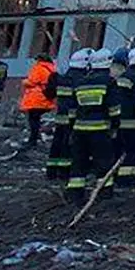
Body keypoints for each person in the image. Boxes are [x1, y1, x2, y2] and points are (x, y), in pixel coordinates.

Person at [67, 49, 116, 201]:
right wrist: (115, 127)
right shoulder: (109, 82)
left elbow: (72, 110)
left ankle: (75, 193)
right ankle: (104, 192)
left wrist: (72, 128)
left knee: (79, 162)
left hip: (79, 130)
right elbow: (114, 109)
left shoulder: (81, 82)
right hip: (100, 130)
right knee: (103, 161)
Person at [111, 47, 135, 189]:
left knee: (118, 150)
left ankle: (114, 176)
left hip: (119, 122)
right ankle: (126, 180)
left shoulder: (124, 75)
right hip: (132, 124)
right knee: (132, 152)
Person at [45, 50, 84, 180]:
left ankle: (51, 171)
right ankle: (64, 172)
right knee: (69, 145)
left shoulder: (63, 78)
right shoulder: (80, 79)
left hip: (61, 116)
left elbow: (50, 94)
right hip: (73, 118)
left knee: (57, 143)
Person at [20, 53, 57, 149]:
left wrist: (24, 82)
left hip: (36, 98)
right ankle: (36, 138)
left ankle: (33, 140)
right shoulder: (52, 68)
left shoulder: (39, 68)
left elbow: (32, 81)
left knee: (33, 120)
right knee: (37, 119)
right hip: (46, 97)